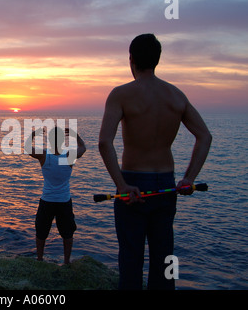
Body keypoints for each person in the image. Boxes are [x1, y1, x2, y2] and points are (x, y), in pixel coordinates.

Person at [98, 34, 212, 289]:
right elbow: (205, 136)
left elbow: (105, 142)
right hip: (166, 185)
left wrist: (122, 185)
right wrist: (189, 179)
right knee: (163, 259)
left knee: (131, 257)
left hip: (133, 183)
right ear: (157, 60)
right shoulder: (176, 95)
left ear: (131, 60)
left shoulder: (121, 94)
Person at [25, 126, 86, 264]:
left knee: (41, 232)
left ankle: (39, 259)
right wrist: (75, 135)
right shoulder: (69, 156)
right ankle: (66, 261)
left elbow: (28, 148)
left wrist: (34, 134)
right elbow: (83, 147)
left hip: (47, 200)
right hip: (64, 201)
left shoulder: (44, 155)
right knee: (67, 233)